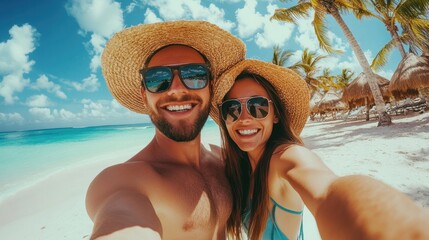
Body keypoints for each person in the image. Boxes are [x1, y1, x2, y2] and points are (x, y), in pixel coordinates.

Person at [210, 59, 429, 240]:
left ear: (275, 115)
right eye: (232, 109)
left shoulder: (285, 157)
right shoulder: (237, 167)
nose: (244, 119)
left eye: (258, 107)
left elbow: (328, 189)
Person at [86, 20, 245, 240]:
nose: (177, 89)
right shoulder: (127, 181)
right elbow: (122, 218)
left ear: (211, 85)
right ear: (144, 94)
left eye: (194, 75)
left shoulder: (224, 160)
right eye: (158, 79)